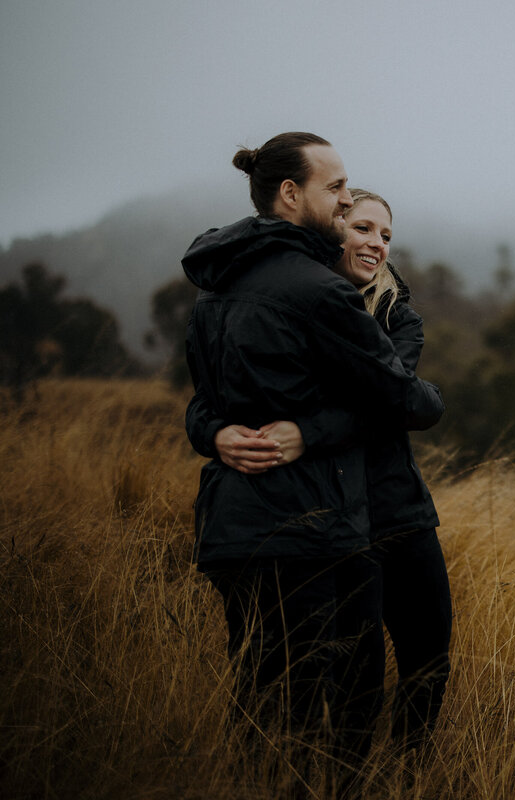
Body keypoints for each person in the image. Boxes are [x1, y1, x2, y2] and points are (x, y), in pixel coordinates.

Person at [182, 133, 444, 771]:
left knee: (266, 707)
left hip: (237, 527)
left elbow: (209, 397)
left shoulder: (216, 285)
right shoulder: (315, 293)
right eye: (339, 193)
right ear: (290, 193)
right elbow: (409, 402)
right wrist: (224, 431)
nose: (347, 203)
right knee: (319, 716)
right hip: (312, 527)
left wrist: (223, 433)